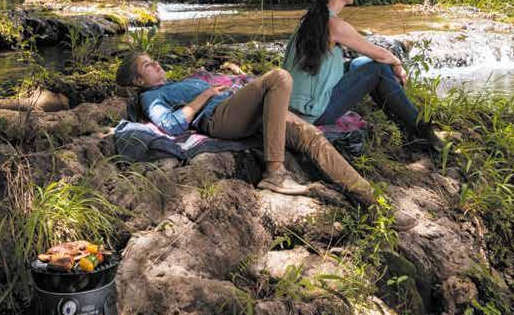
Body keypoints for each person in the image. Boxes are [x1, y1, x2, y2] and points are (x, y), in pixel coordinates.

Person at [115, 51, 377, 203]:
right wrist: (206, 95)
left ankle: (371, 200)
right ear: (138, 80)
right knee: (279, 77)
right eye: (148, 65)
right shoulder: (149, 97)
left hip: (239, 109)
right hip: (220, 118)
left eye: (153, 60)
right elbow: (171, 125)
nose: (156, 64)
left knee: (310, 135)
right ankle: (274, 173)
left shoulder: (175, 83)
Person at [284, 0, 442, 149]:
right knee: (376, 68)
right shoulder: (334, 25)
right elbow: (379, 55)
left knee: (360, 63)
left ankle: (411, 129)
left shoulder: (311, 20)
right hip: (312, 112)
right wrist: (397, 64)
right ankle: (421, 131)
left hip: (294, 106)